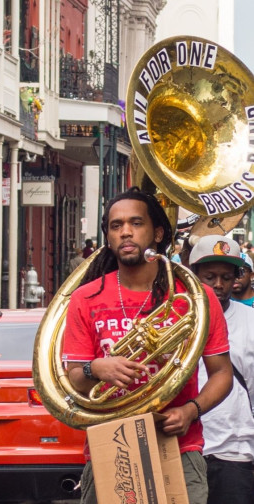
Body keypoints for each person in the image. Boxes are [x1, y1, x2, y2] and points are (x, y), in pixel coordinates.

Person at [62, 187, 233, 504]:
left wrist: (190, 411)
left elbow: (222, 373)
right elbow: (75, 378)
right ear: (109, 237)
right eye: (116, 226)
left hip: (178, 446)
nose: (125, 232)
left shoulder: (196, 297)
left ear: (157, 233)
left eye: (136, 223)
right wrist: (96, 368)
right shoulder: (85, 298)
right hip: (110, 446)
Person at [189, 235, 254, 504]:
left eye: (226, 277)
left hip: (234, 454)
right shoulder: (173, 318)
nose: (219, 284)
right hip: (183, 449)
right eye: (210, 276)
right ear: (194, 275)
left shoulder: (251, 321)